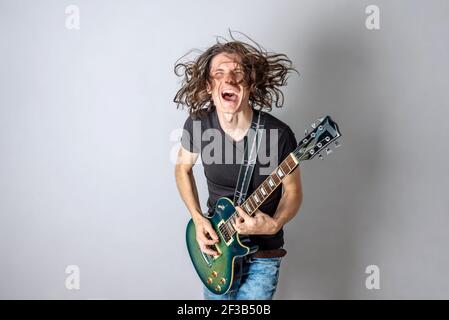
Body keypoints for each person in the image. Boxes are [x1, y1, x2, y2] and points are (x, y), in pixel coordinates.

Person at [174, 34, 303, 300]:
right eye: (219, 73)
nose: (229, 79)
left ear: (251, 84)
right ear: (209, 86)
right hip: (218, 249)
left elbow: (293, 192)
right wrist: (198, 220)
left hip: (263, 255)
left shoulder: (278, 134)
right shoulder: (198, 125)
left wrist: (275, 223)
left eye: (237, 72)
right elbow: (182, 169)